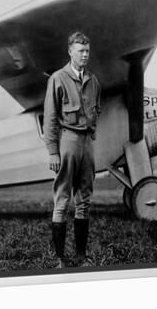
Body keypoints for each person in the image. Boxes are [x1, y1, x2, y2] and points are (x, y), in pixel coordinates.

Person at [43, 31, 101, 268]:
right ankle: (60, 260)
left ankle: (81, 256)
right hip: (67, 141)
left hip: (87, 142)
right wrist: (53, 151)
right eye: (80, 51)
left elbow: (97, 110)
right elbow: (50, 117)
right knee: (62, 199)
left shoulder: (94, 81)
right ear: (70, 52)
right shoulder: (58, 78)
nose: (85, 55)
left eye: (87, 51)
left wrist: (91, 135)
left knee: (84, 199)